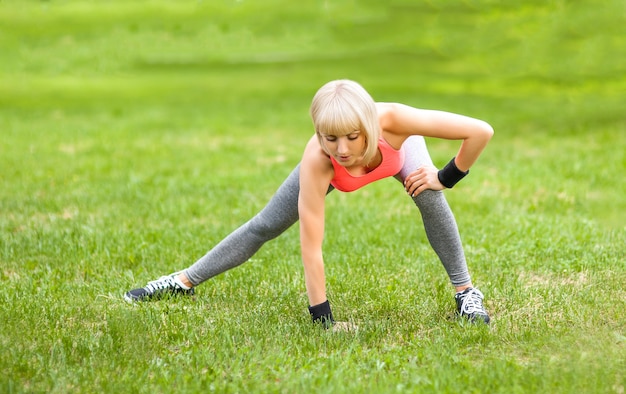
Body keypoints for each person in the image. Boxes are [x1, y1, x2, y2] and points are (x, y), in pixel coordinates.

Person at [124, 79, 494, 326]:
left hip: (398, 153)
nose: (343, 149)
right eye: (330, 138)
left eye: (352, 137)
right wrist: (323, 318)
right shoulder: (319, 160)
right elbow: (311, 244)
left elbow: (480, 131)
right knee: (266, 224)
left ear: (369, 125)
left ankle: (466, 293)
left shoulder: (395, 120)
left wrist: (444, 176)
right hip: (326, 174)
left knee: (427, 192)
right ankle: (182, 281)